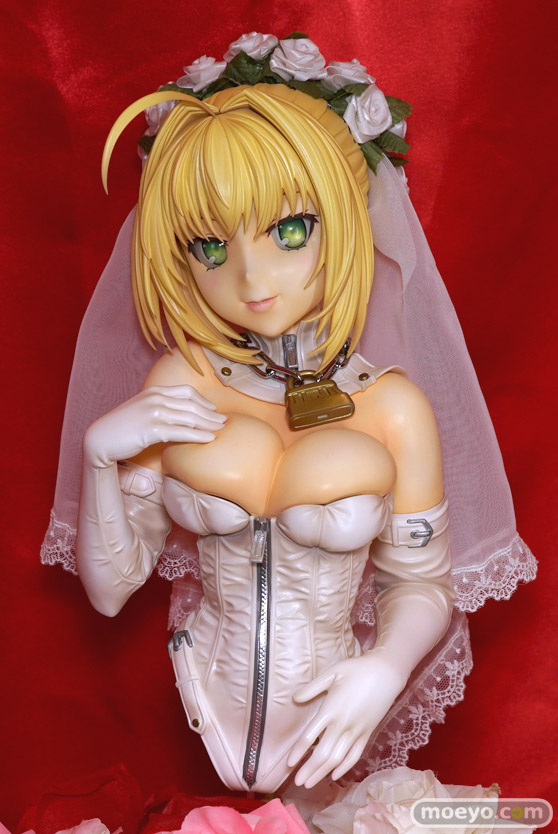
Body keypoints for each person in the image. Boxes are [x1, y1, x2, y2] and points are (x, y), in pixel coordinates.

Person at [41, 36, 536, 797]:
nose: (251, 277)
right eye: (210, 246)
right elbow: (111, 591)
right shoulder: (182, 383)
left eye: (289, 231)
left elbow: (421, 583)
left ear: (345, 221)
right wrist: (100, 455)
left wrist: (387, 666)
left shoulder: (392, 407)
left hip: (336, 720)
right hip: (208, 700)